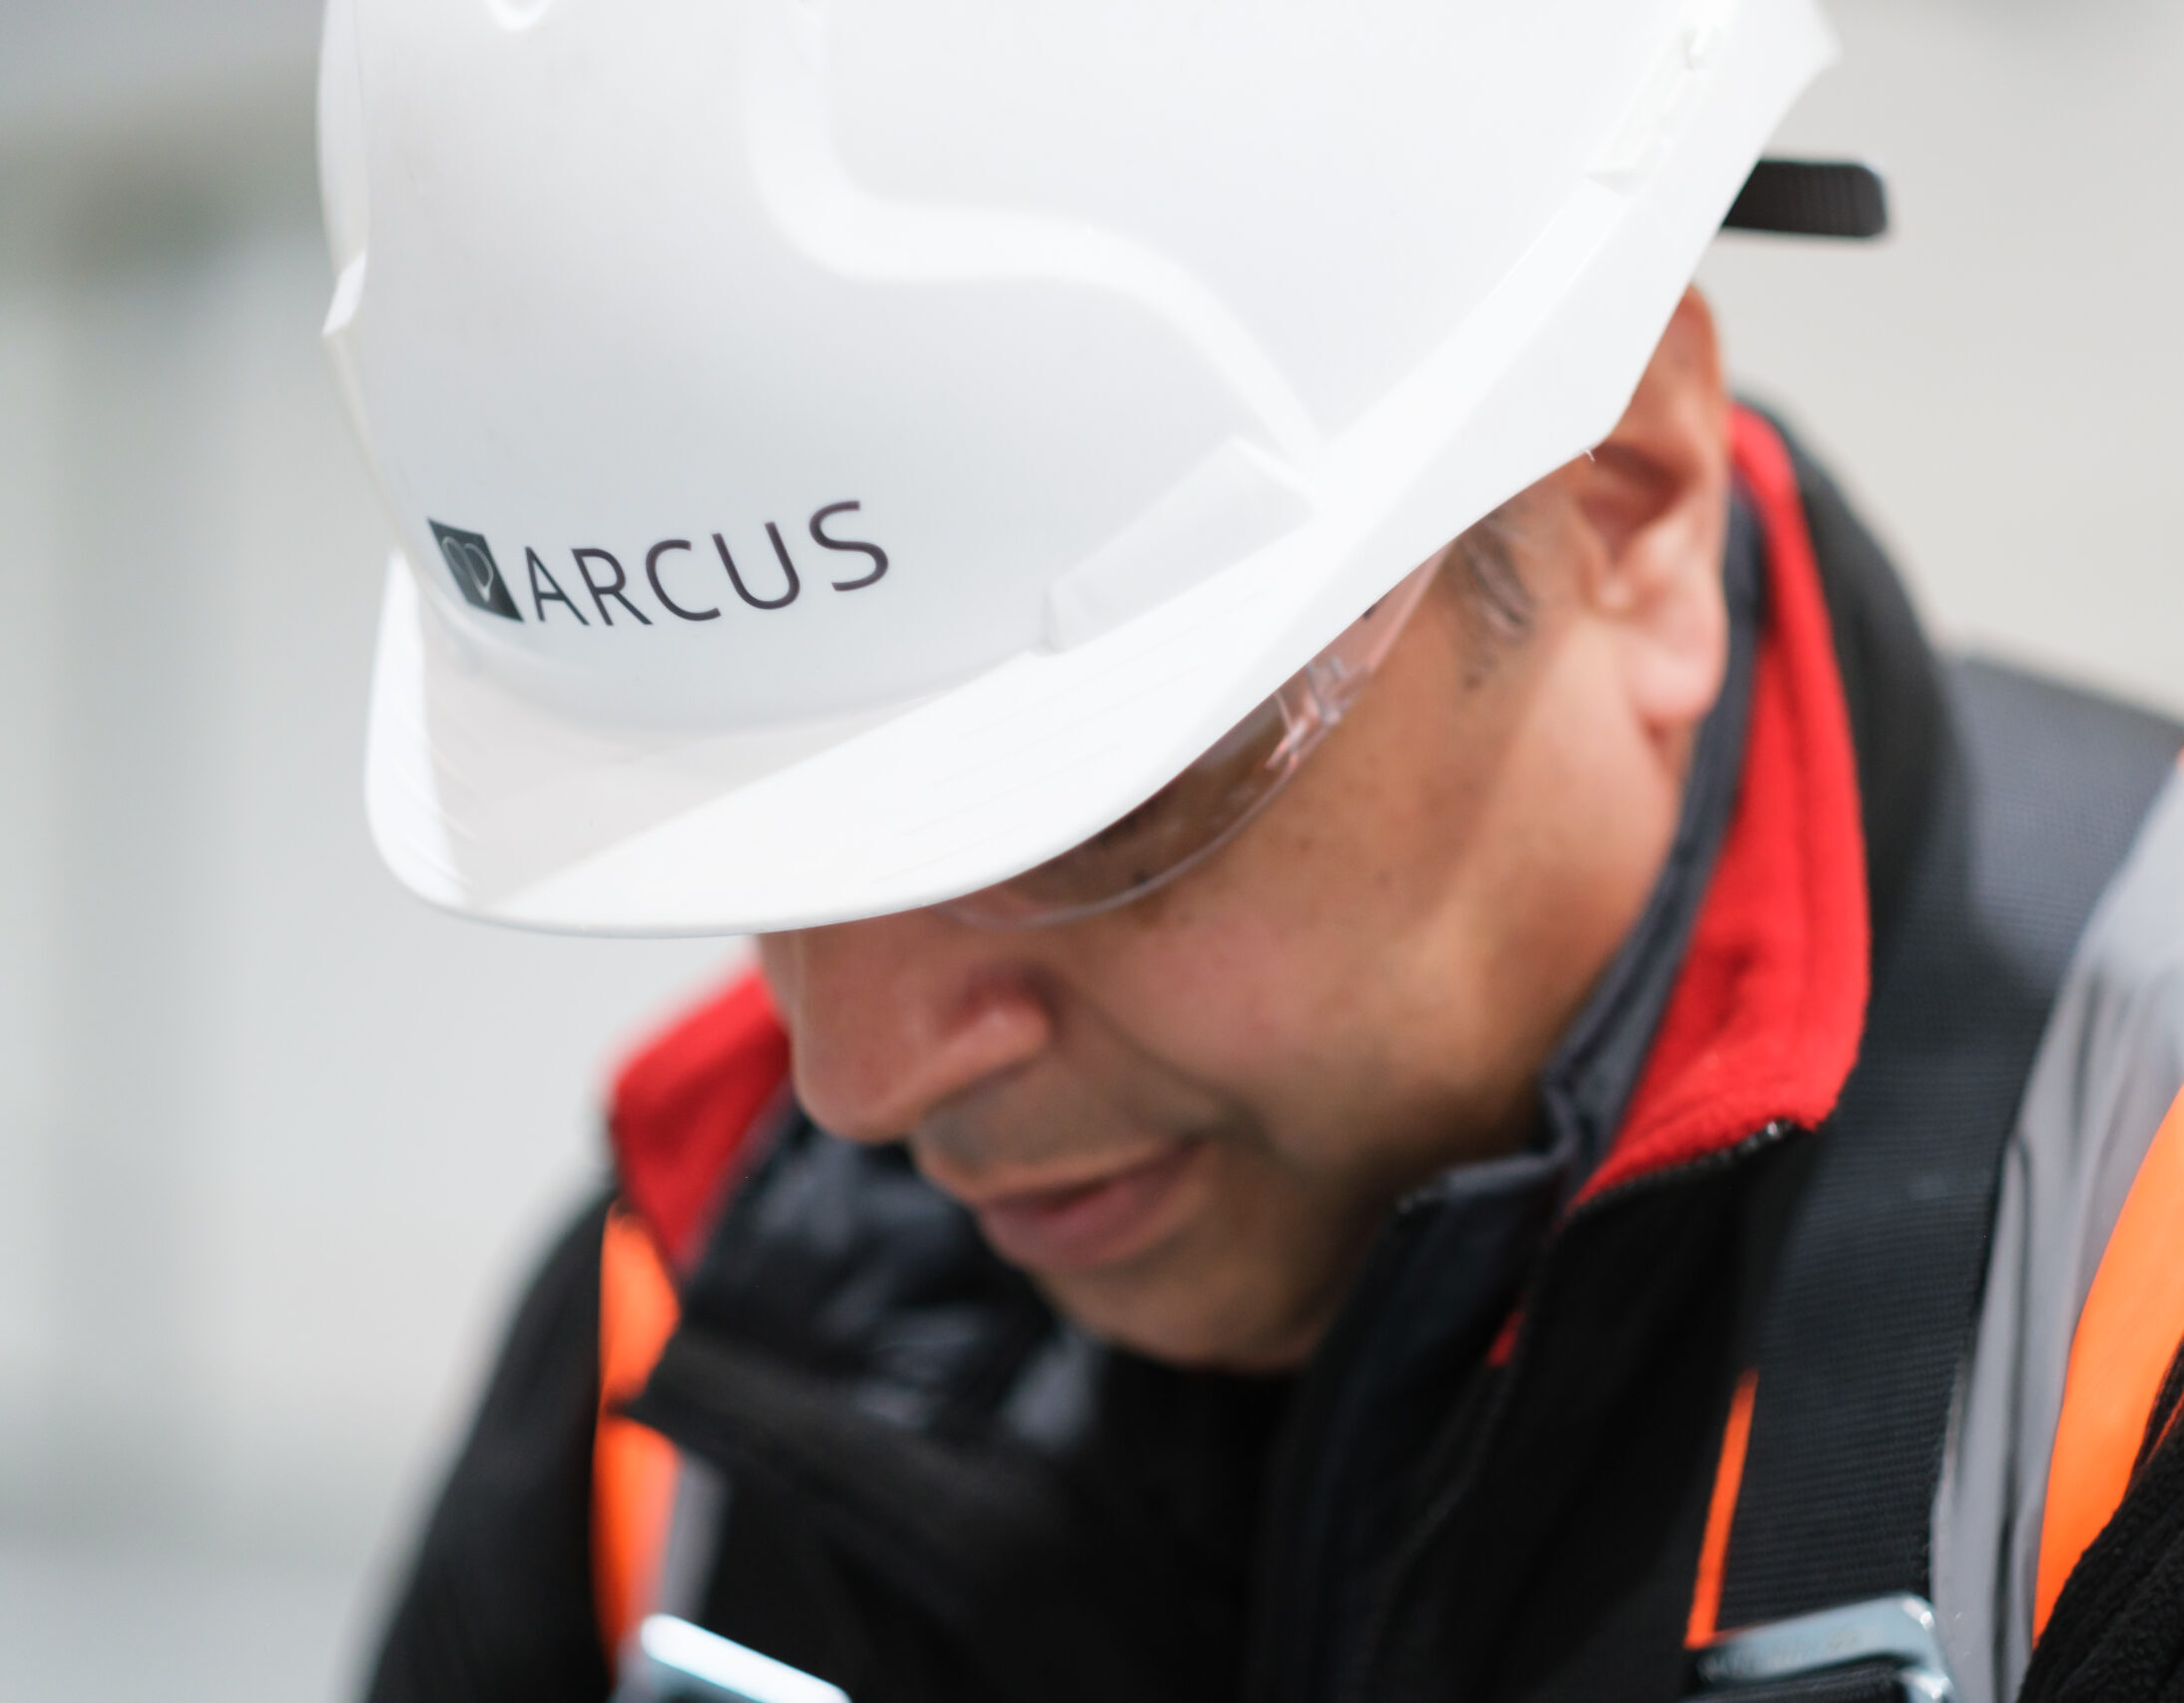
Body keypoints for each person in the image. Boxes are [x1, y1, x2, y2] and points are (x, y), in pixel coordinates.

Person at [323, 3, 2184, 1700]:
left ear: (1626, 505)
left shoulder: (2135, 1267)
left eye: (1094, 809)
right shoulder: (688, 1329)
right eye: (774, 848)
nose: (862, 1079)